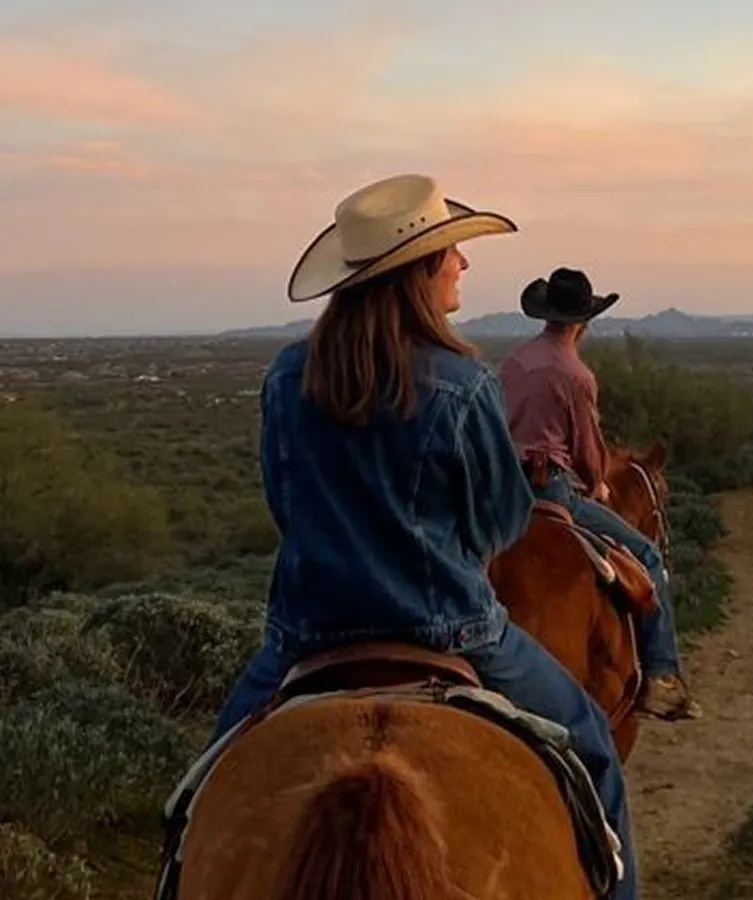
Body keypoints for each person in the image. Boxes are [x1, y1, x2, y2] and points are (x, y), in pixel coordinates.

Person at [206, 174, 638, 896]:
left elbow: (284, 504)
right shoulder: (462, 384)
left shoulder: (287, 377)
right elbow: (501, 521)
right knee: (595, 754)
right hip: (454, 632)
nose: (462, 264)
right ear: (418, 273)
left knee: (198, 799)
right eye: (451, 253)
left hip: (305, 637)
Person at [497, 267, 701, 721]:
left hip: (500, 490)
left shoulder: (514, 362)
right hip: (549, 488)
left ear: (546, 316)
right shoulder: (576, 375)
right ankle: (660, 677)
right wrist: (597, 483)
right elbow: (588, 451)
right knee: (646, 556)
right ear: (583, 322)